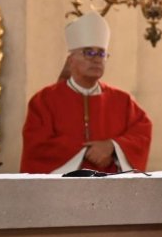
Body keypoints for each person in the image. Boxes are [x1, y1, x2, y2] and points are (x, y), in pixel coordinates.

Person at [20, 12, 152, 174]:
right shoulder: (44, 100)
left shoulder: (122, 101)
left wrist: (112, 146)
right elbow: (37, 147)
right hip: (62, 191)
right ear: (71, 60)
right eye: (89, 52)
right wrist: (85, 151)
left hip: (112, 190)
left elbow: (141, 132)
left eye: (101, 53)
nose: (96, 59)